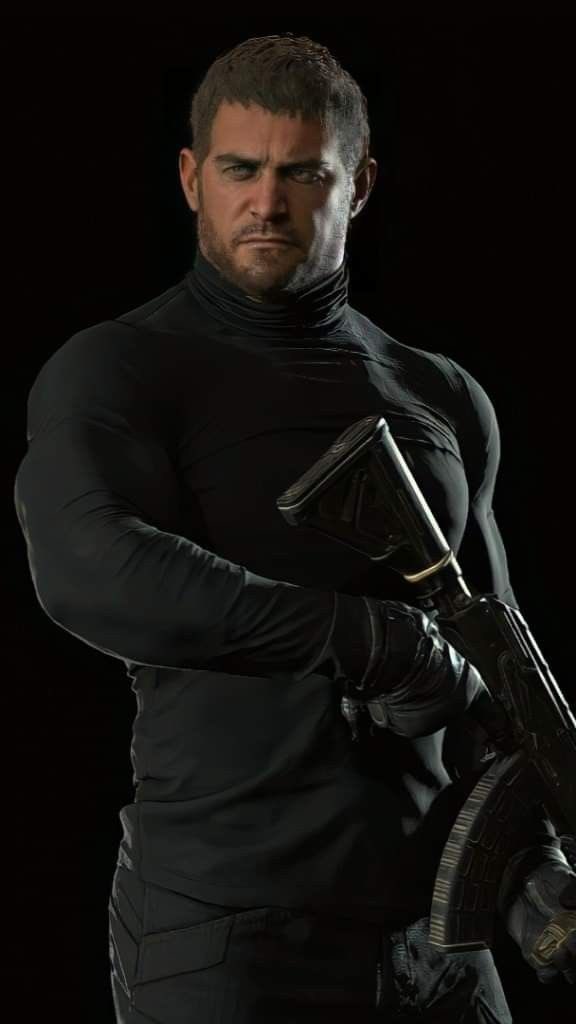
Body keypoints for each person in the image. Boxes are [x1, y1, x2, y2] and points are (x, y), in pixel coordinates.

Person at [13, 33, 575, 1023]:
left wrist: (535, 861)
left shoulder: (440, 394)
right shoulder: (122, 367)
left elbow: (493, 663)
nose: (266, 204)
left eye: (303, 174)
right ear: (191, 178)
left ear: (358, 186)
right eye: (241, 170)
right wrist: (375, 643)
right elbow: (90, 565)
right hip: (228, 928)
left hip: (440, 936)